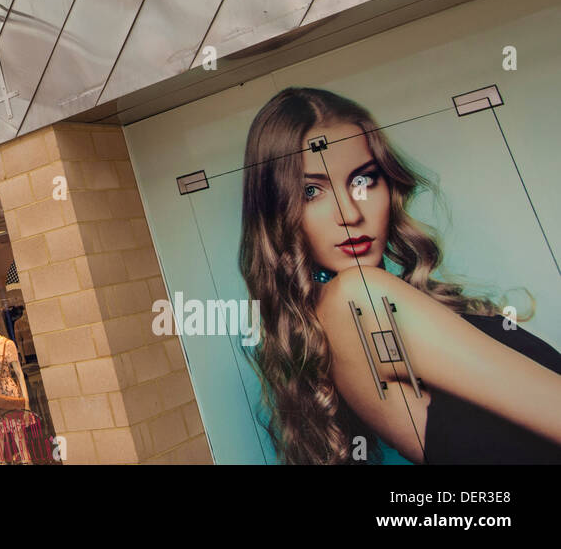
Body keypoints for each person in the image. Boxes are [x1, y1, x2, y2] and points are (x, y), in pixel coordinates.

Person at [237, 87, 561, 464]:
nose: (349, 214)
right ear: (277, 212)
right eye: (311, 191)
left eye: (363, 180)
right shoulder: (361, 298)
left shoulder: (333, 328)